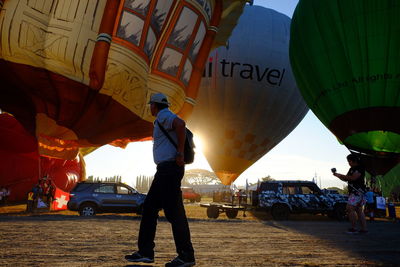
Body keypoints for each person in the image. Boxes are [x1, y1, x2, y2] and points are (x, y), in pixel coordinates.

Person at [125, 93, 195, 267]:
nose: (150, 108)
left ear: (154, 106)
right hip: (166, 170)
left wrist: (179, 152)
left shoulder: (164, 116)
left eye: (151, 105)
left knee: (174, 213)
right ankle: (146, 252)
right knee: (150, 208)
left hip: (169, 169)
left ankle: (186, 256)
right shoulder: (161, 118)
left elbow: (181, 124)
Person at [333, 154, 368, 234]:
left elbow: (353, 178)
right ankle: (364, 229)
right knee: (359, 210)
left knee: (350, 208)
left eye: (349, 161)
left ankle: (353, 228)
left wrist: (341, 175)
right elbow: (347, 179)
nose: (348, 163)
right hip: (356, 192)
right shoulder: (352, 169)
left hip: (357, 191)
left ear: (353, 161)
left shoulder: (359, 168)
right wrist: (338, 175)